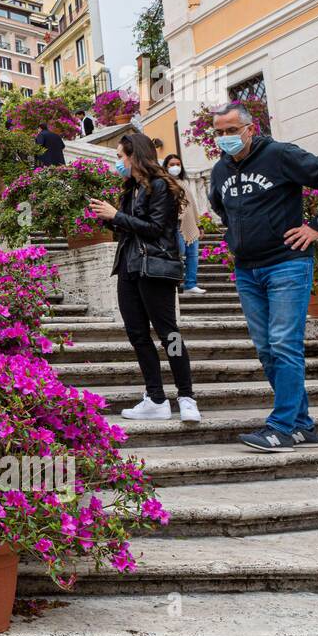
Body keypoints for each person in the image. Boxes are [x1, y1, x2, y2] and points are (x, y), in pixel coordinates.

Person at [208, 101, 318, 453]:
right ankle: (302, 425)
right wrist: (237, 238)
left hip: (286, 263)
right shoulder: (220, 170)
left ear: (249, 129)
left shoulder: (280, 155)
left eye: (231, 130)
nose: (225, 138)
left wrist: (316, 227)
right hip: (247, 269)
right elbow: (220, 207)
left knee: (284, 343)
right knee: (267, 349)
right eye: (219, 133)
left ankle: (281, 427)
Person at [88, 133, 201, 423]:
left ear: (134, 156)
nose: (118, 163)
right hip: (129, 268)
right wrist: (109, 218)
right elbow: (128, 230)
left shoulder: (160, 186)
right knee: (138, 335)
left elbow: (154, 228)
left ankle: (186, 397)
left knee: (169, 334)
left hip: (156, 268)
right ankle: (156, 399)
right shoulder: (131, 190)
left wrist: (117, 216)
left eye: (119, 157)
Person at [163, 153, 205, 295]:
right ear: (166, 167)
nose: (175, 167)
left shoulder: (184, 183)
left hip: (191, 224)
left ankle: (190, 284)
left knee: (193, 255)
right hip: (176, 226)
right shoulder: (164, 184)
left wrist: (199, 225)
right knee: (178, 254)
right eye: (172, 165)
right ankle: (176, 283)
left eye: (178, 164)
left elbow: (192, 206)